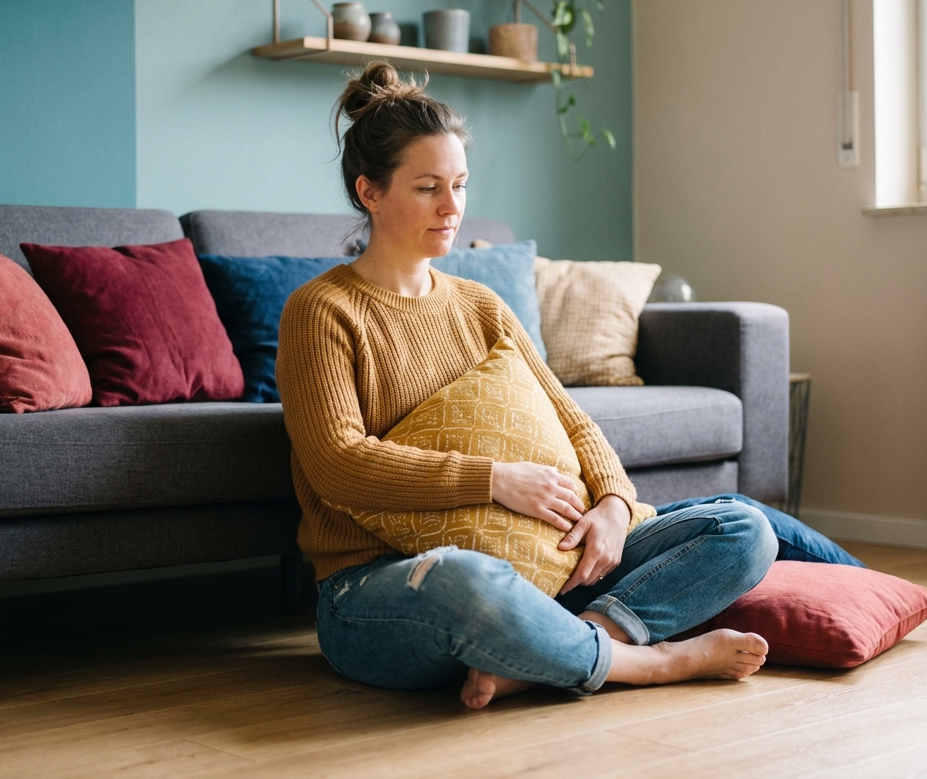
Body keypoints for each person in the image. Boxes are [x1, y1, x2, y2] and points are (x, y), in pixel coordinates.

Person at [276, 63, 845, 710]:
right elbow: (337, 465)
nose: (452, 207)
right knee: (469, 581)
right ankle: (649, 663)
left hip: (547, 570)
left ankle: (564, 649)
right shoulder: (321, 310)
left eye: (460, 185)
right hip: (379, 587)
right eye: (428, 187)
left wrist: (613, 505)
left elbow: (570, 418)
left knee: (744, 529)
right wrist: (495, 479)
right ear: (369, 192)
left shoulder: (481, 304)